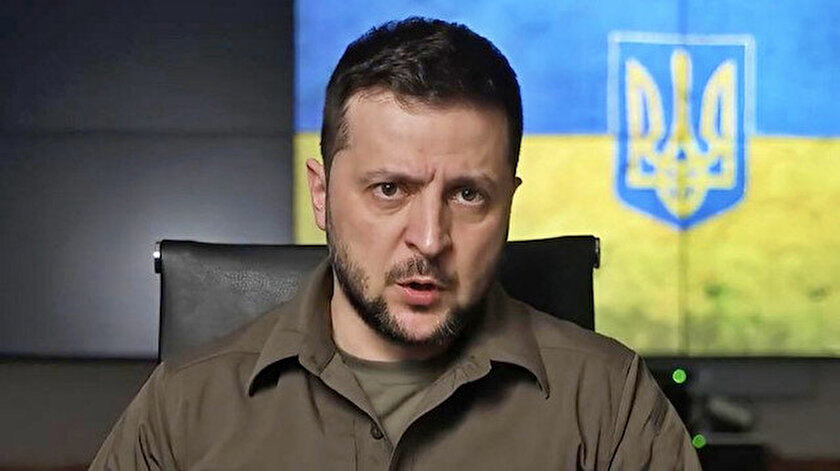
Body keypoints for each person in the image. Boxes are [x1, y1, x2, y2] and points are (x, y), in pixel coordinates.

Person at [90, 17, 700, 470]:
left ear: (509, 204)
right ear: (322, 195)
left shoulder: (610, 403)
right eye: (389, 190)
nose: (429, 239)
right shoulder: (183, 408)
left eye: (468, 195)